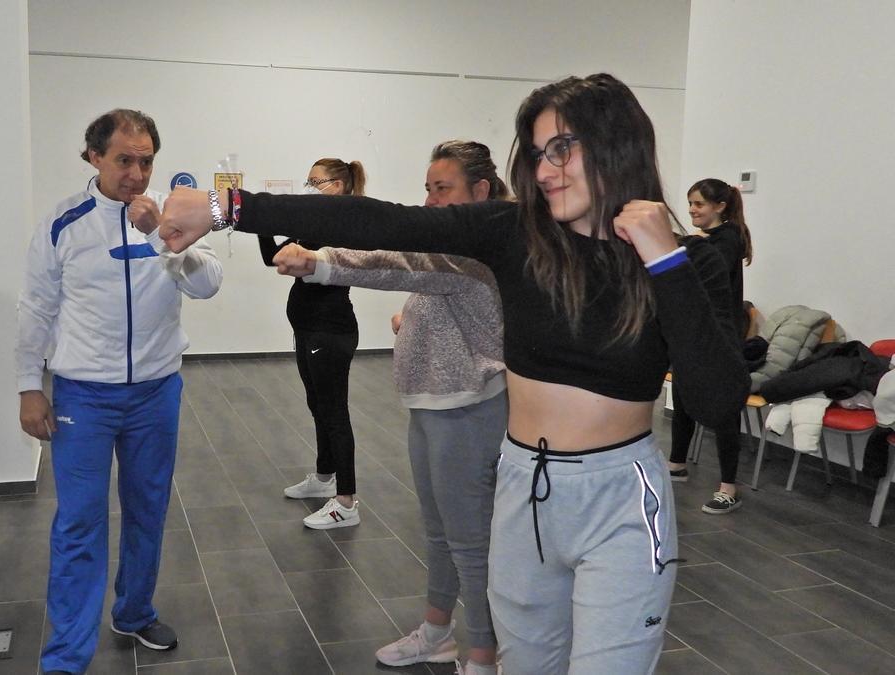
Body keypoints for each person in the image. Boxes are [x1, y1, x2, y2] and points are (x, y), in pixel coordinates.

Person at [159, 73, 749, 674]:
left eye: (562, 149)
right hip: (525, 489)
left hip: (621, 497)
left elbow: (719, 400)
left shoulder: (687, 259)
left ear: (616, 145)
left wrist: (665, 260)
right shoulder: (517, 235)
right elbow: (383, 223)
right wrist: (225, 206)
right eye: (538, 154)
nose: (545, 171)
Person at [274, 140, 508, 673]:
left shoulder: (477, 248)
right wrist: (415, 318)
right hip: (433, 406)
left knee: (469, 541)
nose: (428, 201)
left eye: (440, 189)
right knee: (439, 531)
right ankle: (435, 631)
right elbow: (425, 282)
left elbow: (399, 266)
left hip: (467, 410)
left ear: (480, 192)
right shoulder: (457, 248)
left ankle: (482, 654)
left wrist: (321, 261)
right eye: (427, 188)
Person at [17, 108, 223, 675]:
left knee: (147, 510)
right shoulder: (64, 222)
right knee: (80, 523)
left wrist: (163, 233)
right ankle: (65, 658)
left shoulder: (171, 213)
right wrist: (28, 387)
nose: (135, 172)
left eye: (146, 160)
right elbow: (36, 307)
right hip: (84, 395)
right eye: (123, 160)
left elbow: (208, 284)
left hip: (157, 392)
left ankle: (133, 612)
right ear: (94, 158)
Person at [265, 157, 365, 529]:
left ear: (337, 185)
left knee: (334, 411)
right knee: (317, 404)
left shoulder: (341, 225)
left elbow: (310, 267)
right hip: (307, 330)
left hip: (331, 332)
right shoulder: (315, 224)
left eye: (315, 182)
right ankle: (325, 478)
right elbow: (270, 257)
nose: (309, 188)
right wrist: (263, 224)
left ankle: (346, 502)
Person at [668, 178, 755, 514]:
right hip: (694, 331)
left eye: (699, 204)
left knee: (724, 412)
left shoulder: (728, 239)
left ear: (719, 207)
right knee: (683, 399)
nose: (692, 210)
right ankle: (677, 463)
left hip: (721, 338)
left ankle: (728, 487)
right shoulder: (703, 240)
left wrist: (690, 243)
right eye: (690, 203)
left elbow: (707, 264)